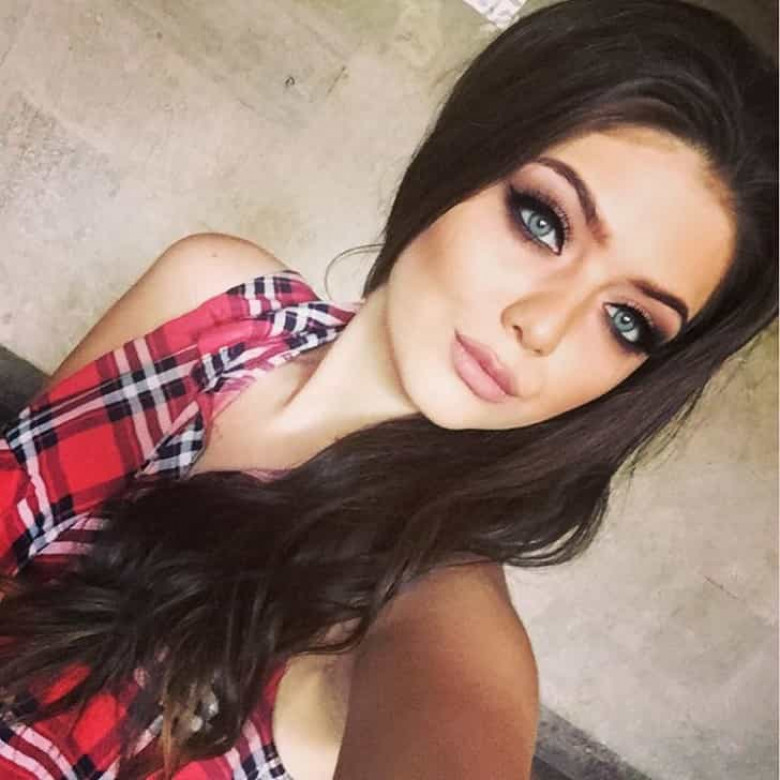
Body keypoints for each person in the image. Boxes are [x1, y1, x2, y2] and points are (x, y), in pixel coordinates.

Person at [0, 0, 776, 777]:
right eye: (543, 221)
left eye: (628, 322)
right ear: (466, 156)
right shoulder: (214, 296)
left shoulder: (438, 604)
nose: (543, 326)